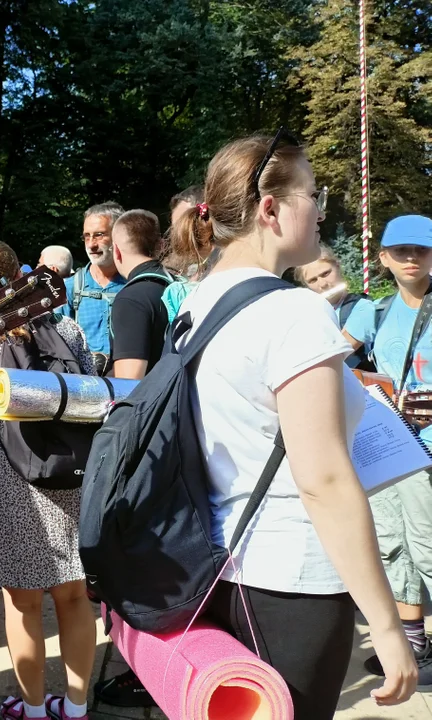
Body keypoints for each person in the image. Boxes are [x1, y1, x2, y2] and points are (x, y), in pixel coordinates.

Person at [145, 130, 415, 716]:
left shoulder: (199, 301)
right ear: (270, 209)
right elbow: (323, 480)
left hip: (217, 563)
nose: (321, 210)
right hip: (293, 580)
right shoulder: (294, 313)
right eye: (313, 194)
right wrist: (389, 628)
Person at [0, 240, 97, 720]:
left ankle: (32, 710)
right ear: (23, 274)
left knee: (23, 606)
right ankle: (75, 708)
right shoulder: (67, 328)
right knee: (74, 598)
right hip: (70, 479)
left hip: (11, 486)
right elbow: (94, 401)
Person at [343, 214, 432, 686]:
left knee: (429, 546)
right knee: (394, 545)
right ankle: (414, 640)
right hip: (388, 445)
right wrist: (369, 385)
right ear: (383, 259)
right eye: (402, 251)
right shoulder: (371, 312)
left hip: (428, 452)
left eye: (422, 249)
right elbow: (326, 362)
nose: (412, 258)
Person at [55, 202, 127, 375]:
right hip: (84, 384)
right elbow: (58, 344)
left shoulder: (134, 284)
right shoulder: (70, 288)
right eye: (87, 236)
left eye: (99, 235)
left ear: (119, 236)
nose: (91, 244)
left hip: (126, 381)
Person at [108, 210, 172, 380]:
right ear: (161, 245)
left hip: (156, 405)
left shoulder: (131, 300)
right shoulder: (177, 285)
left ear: (116, 251)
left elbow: (128, 384)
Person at [295, 242, 372, 369]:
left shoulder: (363, 307)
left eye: (326, 274)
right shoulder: (309, 314)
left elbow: (337, 355)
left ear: (338, 266)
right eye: (313, 280)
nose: (322, 284)